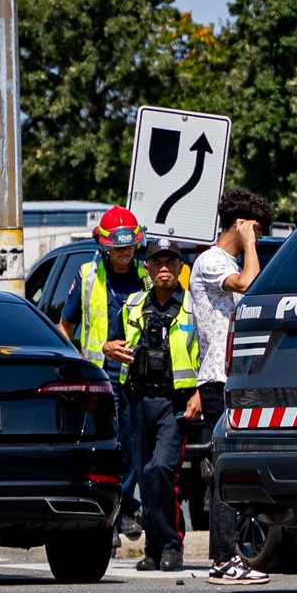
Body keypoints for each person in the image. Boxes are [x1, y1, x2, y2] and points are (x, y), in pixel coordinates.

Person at [192, 187, 274, 584]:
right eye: (253, 229)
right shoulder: (210, 260)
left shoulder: (226, 259)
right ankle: (223, 557)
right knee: (224, 468)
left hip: (238, 378)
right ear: (240, 224)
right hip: (218, 380)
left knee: (238, 468)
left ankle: (235, 552)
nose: (255, 238)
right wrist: (248, 244)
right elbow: (248, 285)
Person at [60, 207, 146, 538]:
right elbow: (65, 327)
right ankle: (109, 516)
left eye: (130, 247)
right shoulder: (88, 276)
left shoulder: (146, 275)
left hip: (137, 375)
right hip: (99, 378)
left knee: (132, 445)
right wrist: (76, 366)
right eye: (119, 249)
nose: (125, 254)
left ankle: (124, 506)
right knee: (103, 447)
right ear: (105, 246)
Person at [119, 237, 199, 572]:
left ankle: (171, 544)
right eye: (157, 263)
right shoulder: (133, 304)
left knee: (161, 469)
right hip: (138, 398)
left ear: (180, 268)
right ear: (148, 268)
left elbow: (207, 352)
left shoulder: (193, 307)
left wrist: (199, 394)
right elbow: (112, 342)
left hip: (175, 401)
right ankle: (153, 548)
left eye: (170, 263)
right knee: (142, 473)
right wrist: (110, 349)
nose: (163, 268)